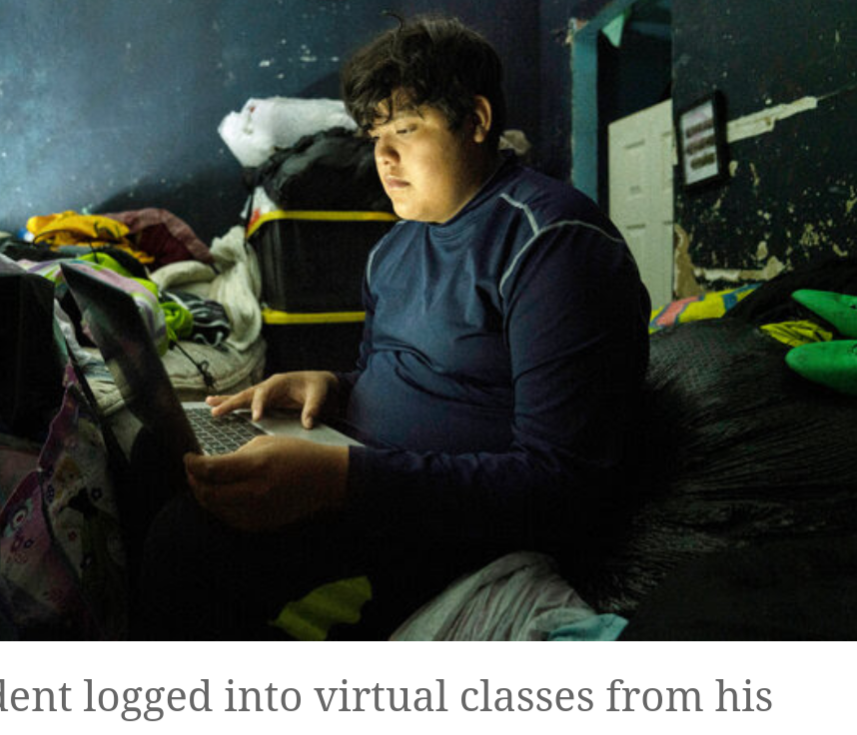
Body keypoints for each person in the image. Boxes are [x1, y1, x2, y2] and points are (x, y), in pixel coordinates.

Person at [137, 13, 651, 640]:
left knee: (186, 546)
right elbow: (392, 372)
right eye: (375, 134)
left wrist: (338, 481)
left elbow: (560, 484)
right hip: (368, 480)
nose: (382, 157)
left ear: (477, 120)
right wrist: (332, 386)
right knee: (160, 466)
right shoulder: (394, 248)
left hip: (441, 520)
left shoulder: (553, 244)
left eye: (406, 129)